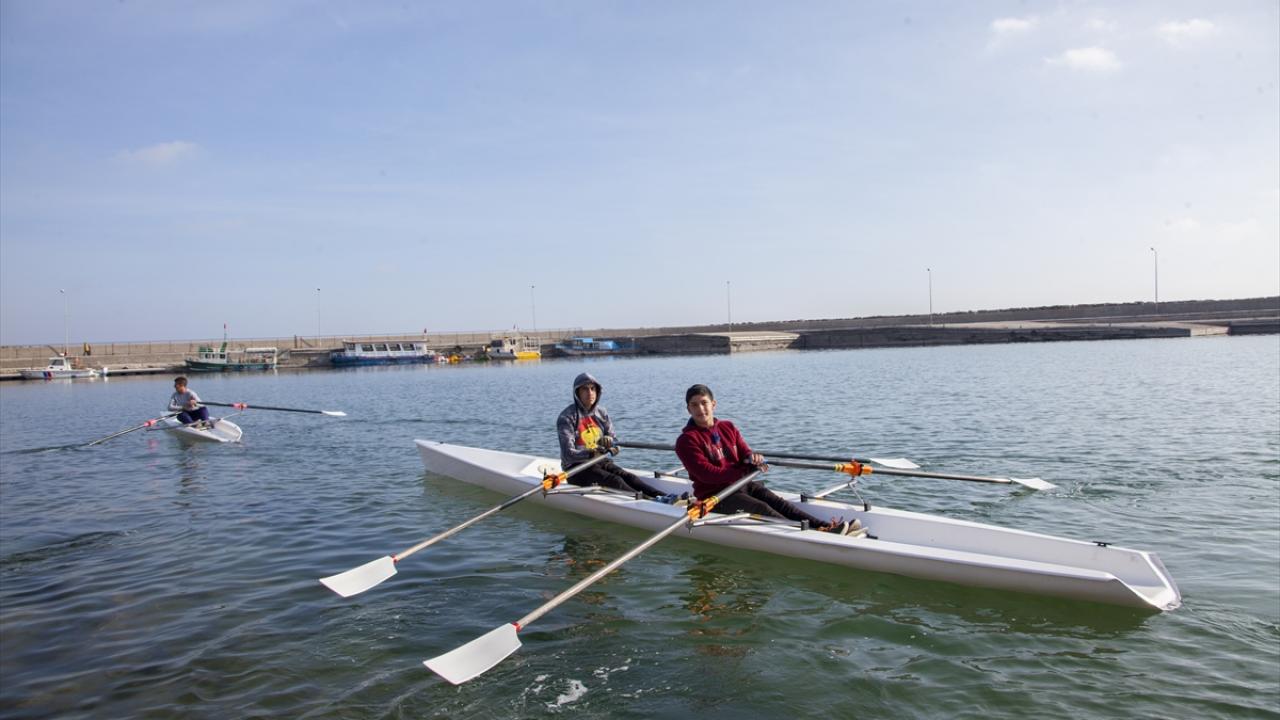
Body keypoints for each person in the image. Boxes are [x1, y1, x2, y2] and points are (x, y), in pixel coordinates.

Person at [674, 384, 861, 535]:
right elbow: (707, 475)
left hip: (742, 484)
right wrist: (745, 470)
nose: (700, 409)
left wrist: (752, 459)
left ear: (713, 404)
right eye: (694, 405)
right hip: (715, 497)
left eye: (704, 403)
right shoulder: (686, 440)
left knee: (780, 503)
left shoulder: (728, 427)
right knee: (761, 507)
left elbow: (746, 452)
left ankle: (826, 526)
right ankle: (816, 534)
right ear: (688, 409)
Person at [557, 372, 674, 500]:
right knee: (614, 480)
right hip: (577, 469)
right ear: (577, 393)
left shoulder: (601, 413)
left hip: (599, 461)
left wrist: (612, 444)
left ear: (597, 391)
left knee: (630, 477)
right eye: (585, 389)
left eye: (592, 388)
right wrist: (592, 453)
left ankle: (667, 497)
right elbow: (568, 454)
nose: (590, 393)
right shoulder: (567, 418)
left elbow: (615, 444)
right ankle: (653, 501)